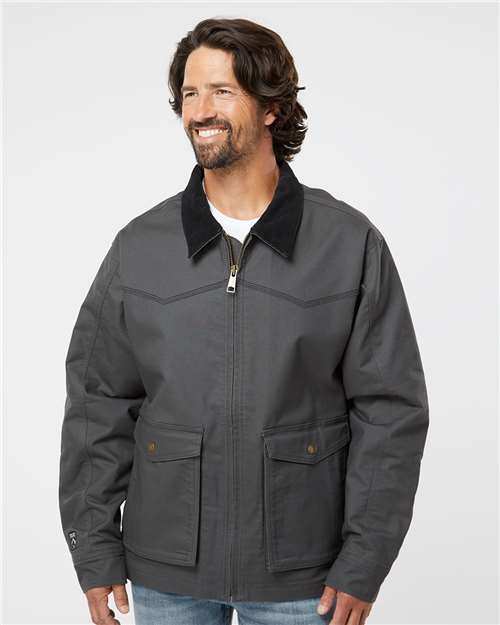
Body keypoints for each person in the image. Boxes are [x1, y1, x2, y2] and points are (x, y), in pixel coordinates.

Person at [58, 16, 429, 625]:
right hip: (165, 572)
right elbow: (97, 402)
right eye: (190, 93)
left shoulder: (348, 244)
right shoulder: (139, 247)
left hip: (303, 578)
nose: (200, 110)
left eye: (222, 91)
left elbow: (390, 411)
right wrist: (94, 549)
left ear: (271, 107)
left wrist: (365, 560)